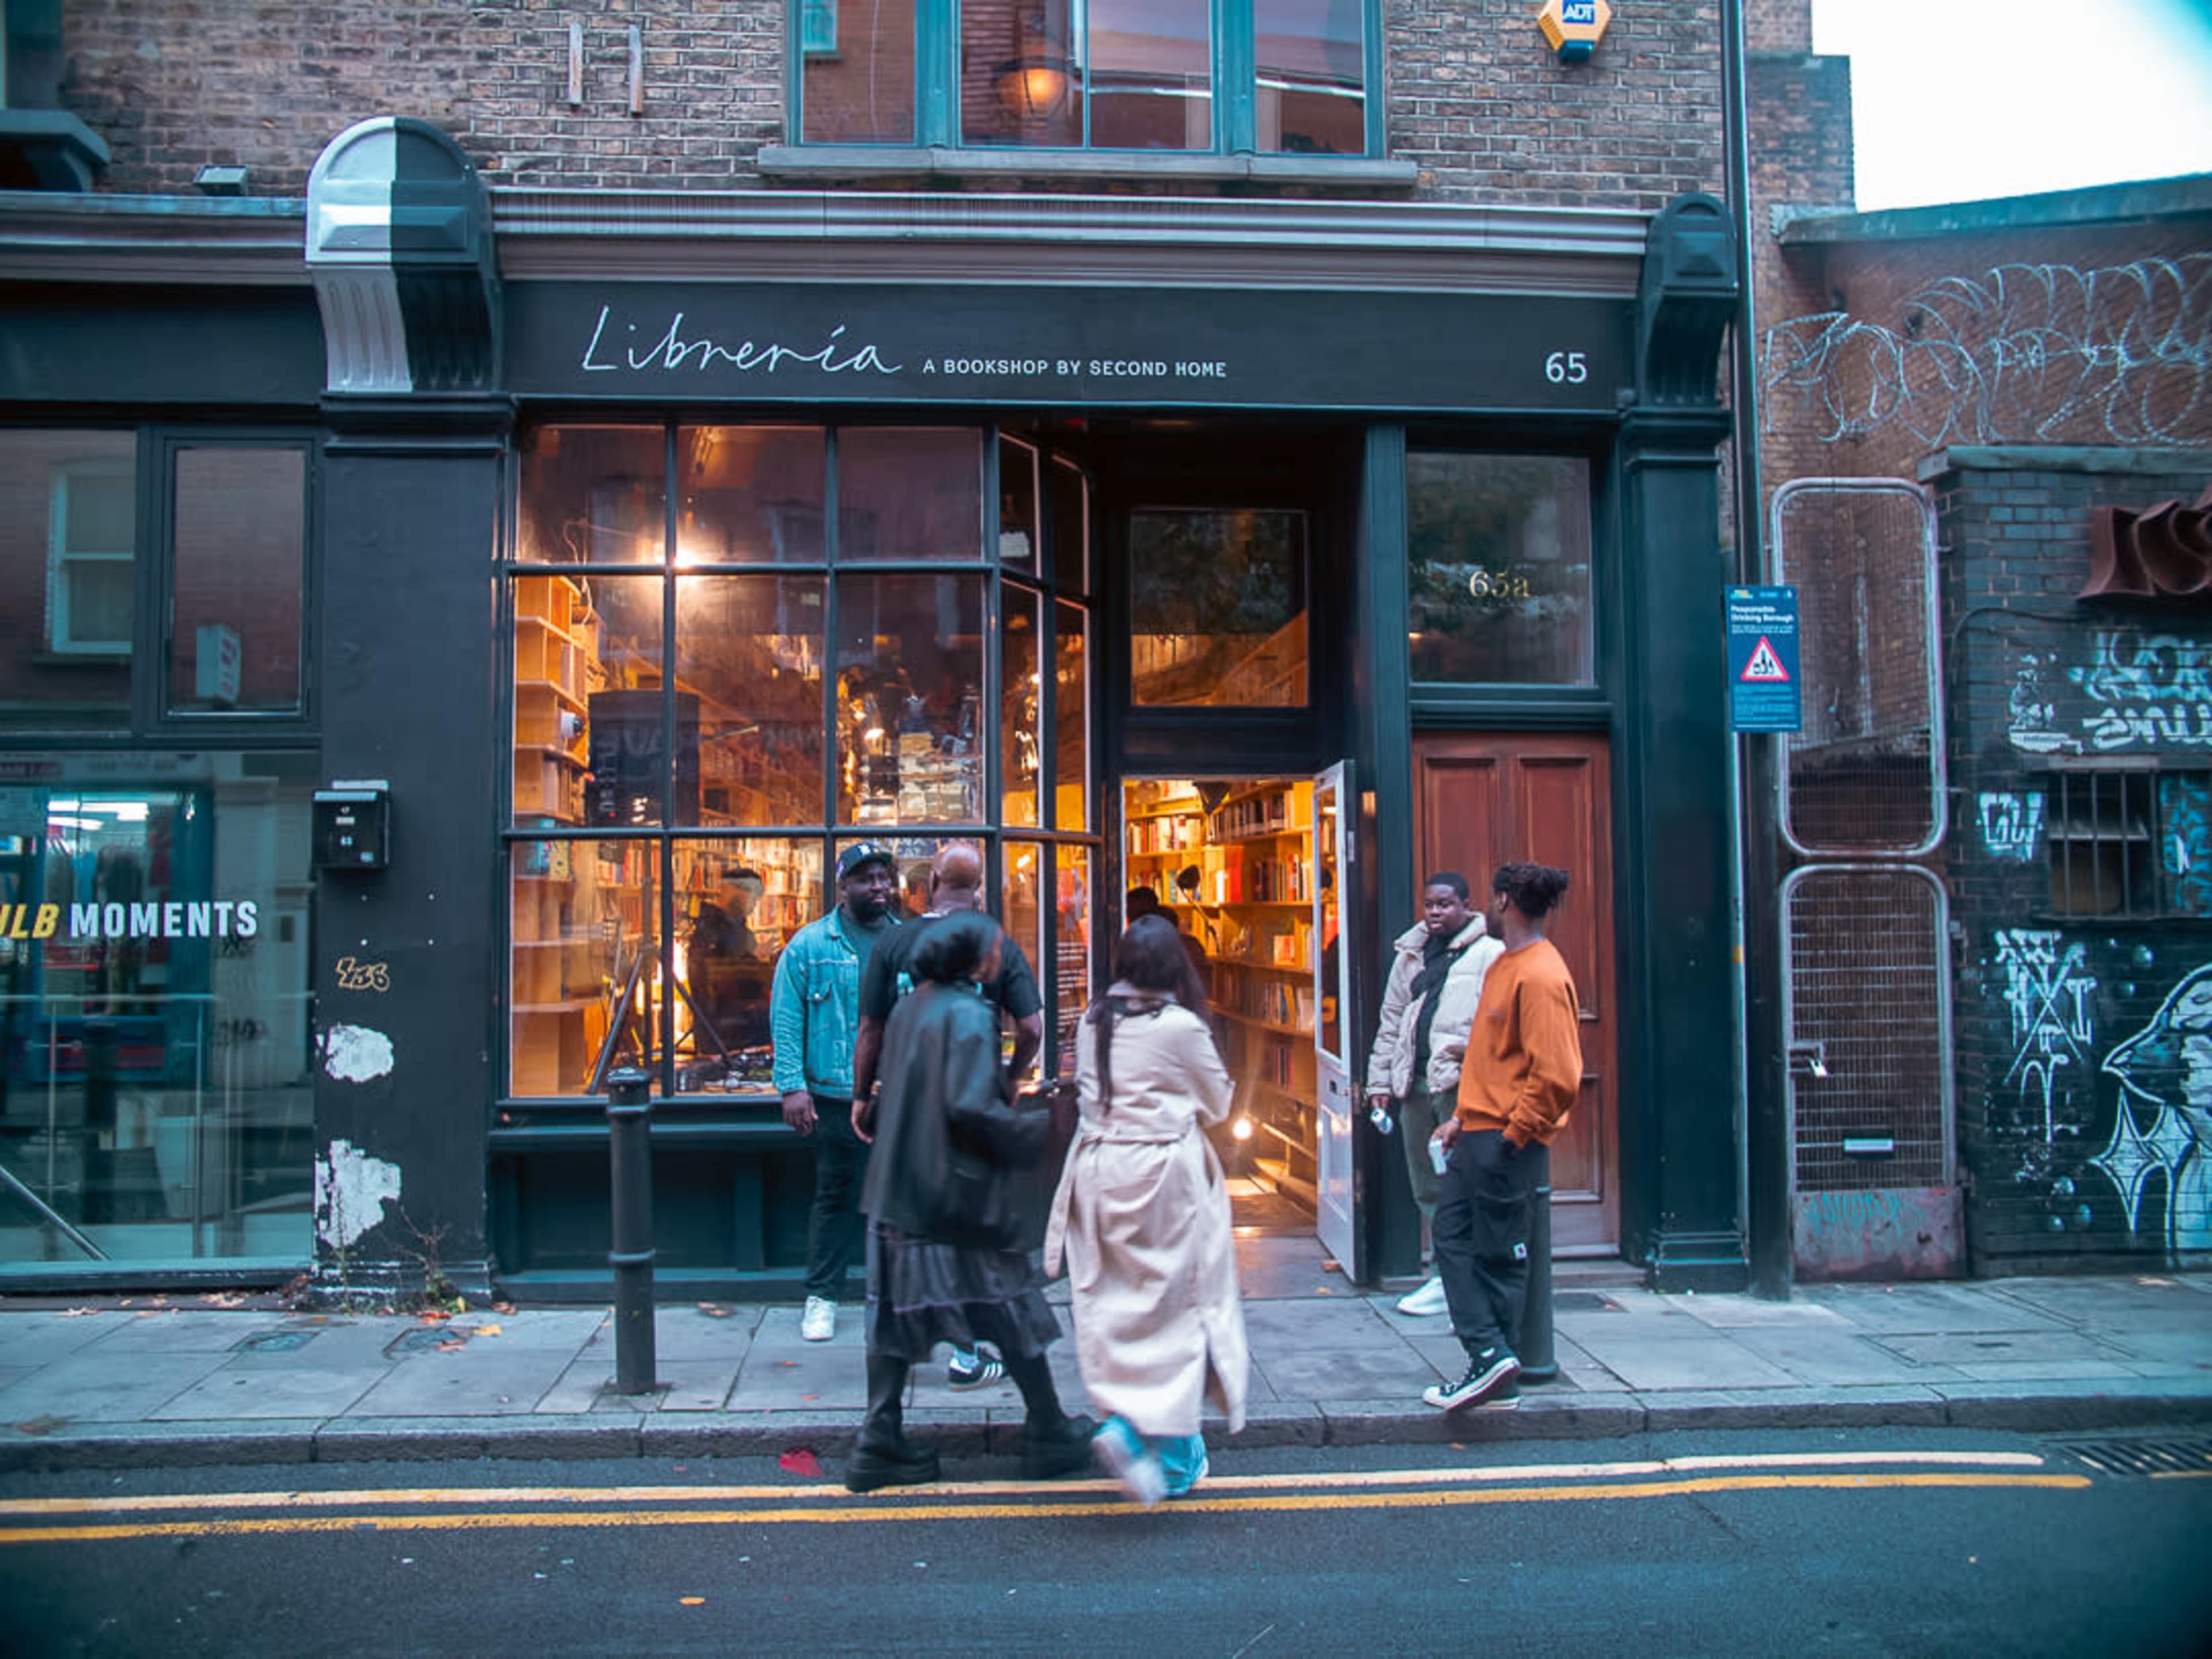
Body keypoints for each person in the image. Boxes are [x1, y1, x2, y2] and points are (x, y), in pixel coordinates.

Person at [847, 912, 1094, 1493]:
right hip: (953, 1198)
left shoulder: (912, 1006)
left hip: (898, 1190)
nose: (1000, 956)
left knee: (893, 1320)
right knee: (1009, 1304)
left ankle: (878, 1441)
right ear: (973, 959)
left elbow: (894, 1073)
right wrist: (1032, 1135)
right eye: (996, 949)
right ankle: (1050, 1431)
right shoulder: (970, 1014)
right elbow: (969, 1106)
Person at [1046, 915, 1248, 1506]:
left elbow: (1086, 1093)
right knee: (1181, 1312)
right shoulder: (1181, 1026)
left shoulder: (1092, 1019)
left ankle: (1122, 1423)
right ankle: (1168, 1453)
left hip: (1101, 1171)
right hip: (1164, 1177)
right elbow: (1216, 1101)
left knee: (1116, 1310)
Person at [850, 841, 1045, 1391]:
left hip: (906, 1117)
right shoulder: (996, 943)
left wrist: (862, 1096)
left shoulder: (892, 940)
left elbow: (872, 1030)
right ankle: (981, 1359)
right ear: (979, 886)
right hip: (971, 1121)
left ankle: (891, 1396)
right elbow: (1031, 1027)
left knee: (906, 1247)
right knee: (978, 1249)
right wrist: (1012, 1080)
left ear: (931, 880)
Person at [1422, 862, 1582, 1414]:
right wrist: (1462, 1119)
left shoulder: (1539, 973)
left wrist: (1516, 1135)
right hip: (1480, 1132)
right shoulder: (1505, 964)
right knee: (1453, 1238)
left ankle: (1493, 1359)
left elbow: (1558, 1073)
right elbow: (1491, 1058)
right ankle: (1491, 1358)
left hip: (1504, 1141)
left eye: (1495, 896)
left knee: (1494, 1253)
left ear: (1504, 901)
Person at [770, 841, 900, 1343]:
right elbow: (786, 1018)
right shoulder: (810, 946)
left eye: (884, 878)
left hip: (893, 1095)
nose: (879, 887)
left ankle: (892, 1296)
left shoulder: (903, 940)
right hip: (832, 1096)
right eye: (867, 879)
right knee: (834, 1195)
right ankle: (822, 1298)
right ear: (843, 886)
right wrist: (792, 1087)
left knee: (896, 1201)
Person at [1365, 873, 1504, 1317]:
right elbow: (1390, 1021)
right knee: (1426, 1183)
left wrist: (1477, 1087)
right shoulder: (1409, 955)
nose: (1436, 912)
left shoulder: (1488, 955)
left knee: (1464, 1184)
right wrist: (1379, 1084)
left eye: (1445, 904)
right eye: (1429, 905)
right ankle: (1446, 1277)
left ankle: (1468, 1281)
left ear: (1467, 904)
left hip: (1457, 1088)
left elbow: (1494, 1024)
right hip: (1414, 1084)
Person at [688, 866, 768, 1055]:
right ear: (736, 892)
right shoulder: (710, 931)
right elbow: (710, 979)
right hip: (724, 1030)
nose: (755, 904)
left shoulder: (740, 930)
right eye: (753, 896)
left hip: (733, 1026)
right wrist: (755, 961)